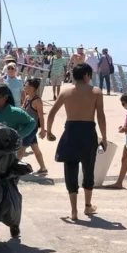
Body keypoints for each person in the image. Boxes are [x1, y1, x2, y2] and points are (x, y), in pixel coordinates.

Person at [46, 63, 107, 221]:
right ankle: (87, 206)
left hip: (71, 132)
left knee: (70, 170)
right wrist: (104, 138)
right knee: (88, 168)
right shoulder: (96, 92)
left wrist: (49, 131)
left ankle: (73, 210)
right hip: (88, 133)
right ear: (87, 76)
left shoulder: (66, 92)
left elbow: (52, 113)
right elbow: (100, 116)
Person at [0, 83, 37, 238]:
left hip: (6, 161)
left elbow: (32, 123)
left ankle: (14, 223)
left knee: (8, 193)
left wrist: (18, 136)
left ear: (5, 98)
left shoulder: (15, 113)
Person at [105, 93, 127, 189]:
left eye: (123, 103)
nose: (123, 106)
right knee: (124, 160)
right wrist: (124, 128)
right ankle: (119, 182)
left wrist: (124, 129)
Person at [18, 79, 48, 174]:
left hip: (31, 128)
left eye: (26, 85)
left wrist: (43, 130)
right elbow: (23, 109)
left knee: (22, 148)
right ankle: (43, 168)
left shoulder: (37, 101)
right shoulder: (27, 97)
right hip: (26, 127)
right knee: (35, 147)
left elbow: (41, 117)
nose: (25, 87)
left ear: (32, 88)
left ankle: (12, 168)